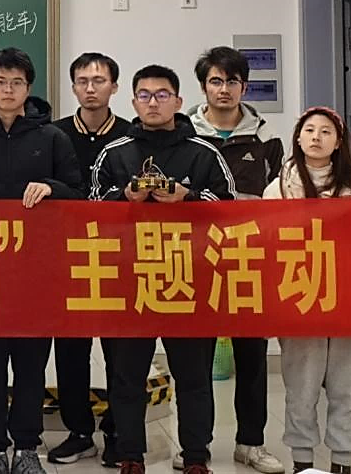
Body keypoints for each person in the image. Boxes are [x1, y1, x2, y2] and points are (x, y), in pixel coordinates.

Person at [90, 65, 235, 474]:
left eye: (162, 94)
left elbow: (230, 208)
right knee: (127, 376)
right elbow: (89, 209)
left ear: (177, 100)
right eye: (145, 95)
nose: (153, 102)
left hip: (189, 279)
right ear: (133, 101)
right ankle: (130, 455)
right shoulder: (114, 152)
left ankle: (195, 456)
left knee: (193, 377)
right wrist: (126, 197)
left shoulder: (204, 152)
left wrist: (189, 198)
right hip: (129, 281)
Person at [0, 48, 82, 474]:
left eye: (17, 82)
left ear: (29, 88)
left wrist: (51, 187)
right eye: (1, 82)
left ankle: (26, 446)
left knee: (30, 365)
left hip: (37, 273)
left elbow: (79, 194)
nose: (9, 90)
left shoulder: (52, 138)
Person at [263, 106, 351, 474]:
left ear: (338, 143)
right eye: (309, 130)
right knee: (301, 387)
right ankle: (303, 463)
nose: (316, 137)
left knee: (346, 386)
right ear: (298, 138)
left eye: (325, 132)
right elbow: (265, 239)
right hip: (300, 295)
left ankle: (342, 462)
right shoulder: (280, 186)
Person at [187, 46, 285, 474]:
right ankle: (196, 447)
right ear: (203, 87)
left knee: (252, 359)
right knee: (194, 361)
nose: (223, 89)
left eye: (231, 81)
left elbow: (284, 201)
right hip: (194, 262)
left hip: (249, 261)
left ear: (244, 87)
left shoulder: (267, 141)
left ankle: (251, 443)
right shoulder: (183, 136)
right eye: (215, 81)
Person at [49, 53, 132, 468]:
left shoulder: (132, 136)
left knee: (120, 352)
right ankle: (79, 432)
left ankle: (117, 430)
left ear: (114, 87)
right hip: (68, 258)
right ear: (73, 87)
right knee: (71, 350)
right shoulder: (55, 134)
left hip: (121, 259)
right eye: (82, 81)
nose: (90, 87)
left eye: (99, 80)